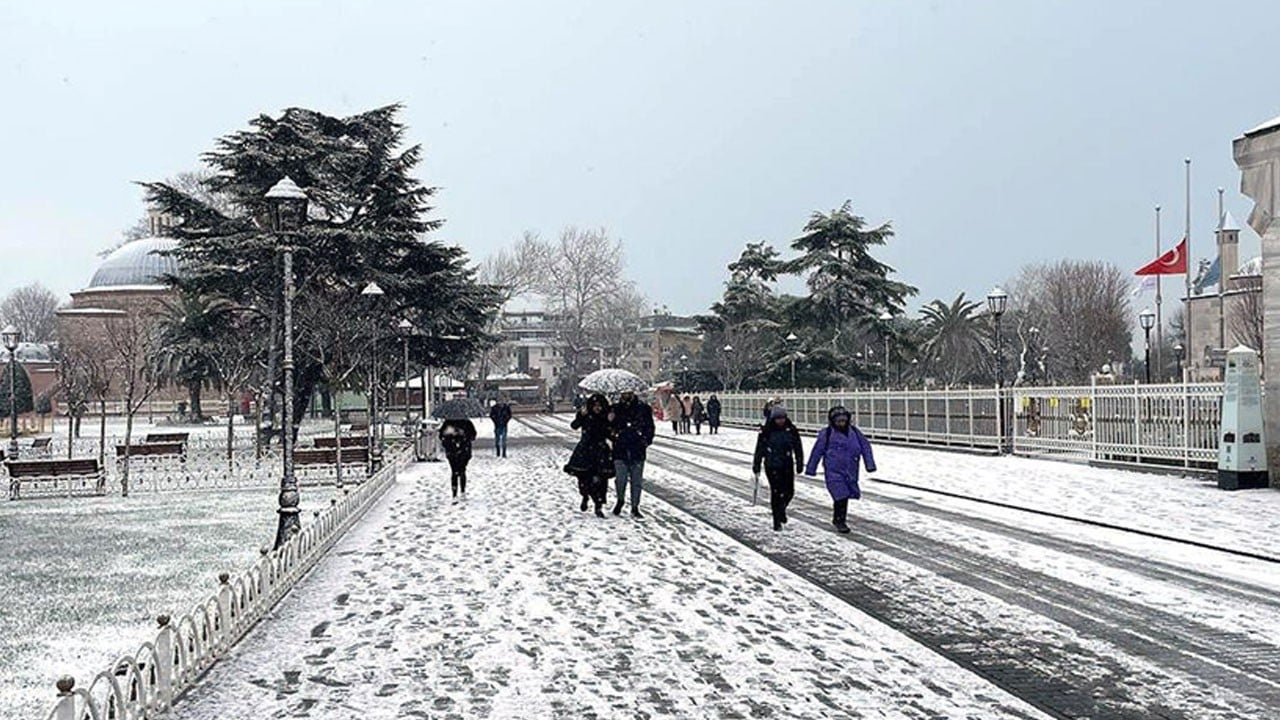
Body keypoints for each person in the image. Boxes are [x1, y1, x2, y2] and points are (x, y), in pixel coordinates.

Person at [804, 405, 876, 534]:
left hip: (850, 470)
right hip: (833, 470)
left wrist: (869, 464)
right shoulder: (827, 434)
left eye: (843, 421)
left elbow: (866, 447)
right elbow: (817, 451)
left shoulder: (854, 432)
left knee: (846, 495)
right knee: (840, 495)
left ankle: (839, 518)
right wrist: (811, 468)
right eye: (838, 421)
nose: (841, 424)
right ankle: (839, 520)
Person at [752, 406, 804, 532]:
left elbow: (797, 446)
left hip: (787, 463)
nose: (780, 421)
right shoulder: (767, 431)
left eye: (782, 418)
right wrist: (757, 463)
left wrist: (799, 462)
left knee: (789, 491)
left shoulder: (791, 430)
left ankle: (781, 509)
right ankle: (777, 519)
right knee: (776, 492)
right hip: (772, 465)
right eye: (778, 419)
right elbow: (760, 448)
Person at [565, 393, 614, 517]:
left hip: (601, 451)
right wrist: (581, 415)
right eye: (595, 405)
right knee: (584, 477)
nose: (598, 408)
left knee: (601, 480)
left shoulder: (605, 417)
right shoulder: (586, 415)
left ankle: (598, 505)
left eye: (600, 406)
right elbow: (574, 426)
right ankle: (585, 496)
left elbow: (610, 434)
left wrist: (611, 423)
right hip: (585, 450)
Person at [609, 389, 655, 517]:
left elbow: (649, 427)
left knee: (636, 481)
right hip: (620, 449)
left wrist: (645, 441)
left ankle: (635, 506)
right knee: (620, 479)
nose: (626, 395)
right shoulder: (615, 409)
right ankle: (620, 500)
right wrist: (613, 431)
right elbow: (608, 427)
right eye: (623, 393)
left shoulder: (643, 409)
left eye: (628, 393)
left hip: (637, 449)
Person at [438, 417, 477, 501]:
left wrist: (451, 436)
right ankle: (461, 492)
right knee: (462, 470)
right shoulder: (466, 422)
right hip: (461, 450)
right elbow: (473, 436)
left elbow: (441, 436)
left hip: (454, 450)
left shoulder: (448, 422)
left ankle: (455, 493)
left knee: (455, 471)